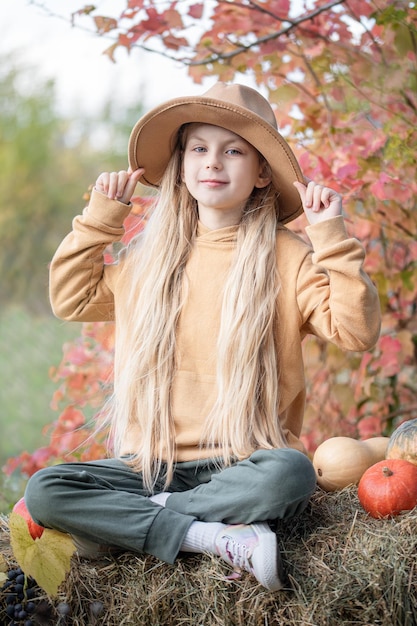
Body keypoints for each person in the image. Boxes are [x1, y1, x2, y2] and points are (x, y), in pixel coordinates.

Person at [25, 82, 380, 592]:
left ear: (261, 173)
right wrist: (101, 217)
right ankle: (209, 537)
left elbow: (357, 330)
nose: (213, 162)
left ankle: (147, 521)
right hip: (152, 465)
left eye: (233, 150)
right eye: (199, 148)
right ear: (182, 164)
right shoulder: (150, 259)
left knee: (292, 474)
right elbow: (71, 298)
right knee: (47, 490)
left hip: (244, 463)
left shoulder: (289, 257)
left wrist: (331, 237)